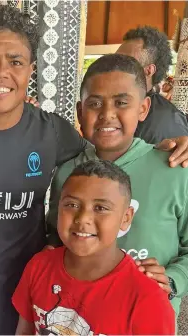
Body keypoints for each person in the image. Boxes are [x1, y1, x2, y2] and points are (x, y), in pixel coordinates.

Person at [0, 5, 188, 334]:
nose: (1, 72)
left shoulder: (53, 132)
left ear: (30, 70)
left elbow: (107, 150)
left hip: (46, 298)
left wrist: (171, 145)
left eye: (15, 61)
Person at [47, 54, 188, 322]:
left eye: (121, 103)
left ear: (143, 109)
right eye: (95, 103)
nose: (107, 114)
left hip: (146, 321)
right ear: (80, 111)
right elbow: (57, 238)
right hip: (78, 321)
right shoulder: (66, 173)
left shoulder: (175, 169)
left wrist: (173, 279)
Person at [13, 160, 175, 335]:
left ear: (126, 218)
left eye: (100, 208)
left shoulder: (146, 297)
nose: (83, 218)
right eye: (72, 205)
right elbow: (24, 331)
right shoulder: (39, 266)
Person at [117, 26, 188, 144]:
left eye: (124, 62)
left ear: (148, 71)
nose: (113, 67)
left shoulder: (160, 121)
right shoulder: (120, 103)